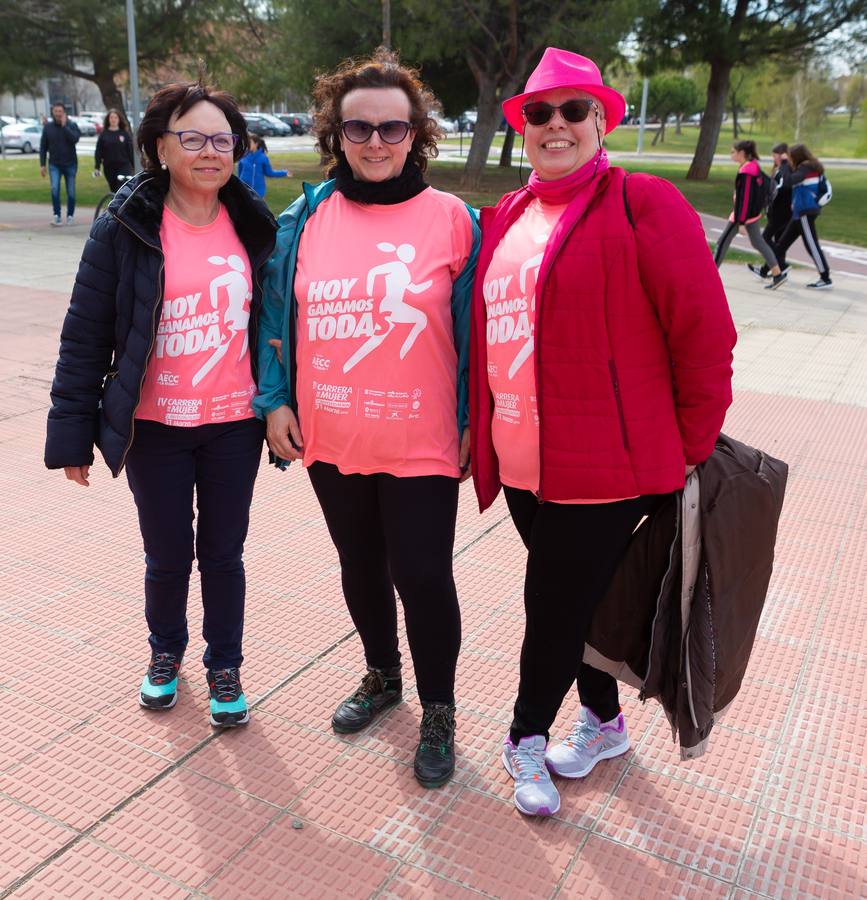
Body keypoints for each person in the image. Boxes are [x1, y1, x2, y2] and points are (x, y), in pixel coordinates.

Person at [469, 47, 737, 817]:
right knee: (580, 601)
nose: (554, 126)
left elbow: (704, 333)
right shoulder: (511, 213)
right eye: (537, 113)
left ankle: (523, 736)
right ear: (521, 127)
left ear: (600, 120)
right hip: (522, 458)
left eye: (571, 111)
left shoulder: (642, 202)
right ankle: (605, 723)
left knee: (551, 604)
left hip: (605, 466)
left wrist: (682, 447)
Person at [254, 48, 479, 788]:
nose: (375, 143)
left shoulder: (454, 220)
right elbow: (276, 316)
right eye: (358, 128)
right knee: (359, 566)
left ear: (416, 133)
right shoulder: (306, 216)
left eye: (392, 128)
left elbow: (478, 333)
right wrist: (275, 398)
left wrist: (476, 416)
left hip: (422, 438)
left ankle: (439, 708)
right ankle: (383, 677)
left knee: (420, 574)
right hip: (332, 433)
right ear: (335, 134)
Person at [45, 80, 277, 728]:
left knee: (224, 553)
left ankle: (224, 662)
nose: (211, 151)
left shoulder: (254, 224)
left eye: (223, 139)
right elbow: (85, 334)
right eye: (194, 138)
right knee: (168, 553)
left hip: (234, 423)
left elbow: (277, 325)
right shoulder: (123, 226)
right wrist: (71, 435)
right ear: (159, 147)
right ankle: (164, 652)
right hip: (156, 427)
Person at [713, 140, 786, 289]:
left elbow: (745, 198)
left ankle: (709, 276)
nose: (731, 155)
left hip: (742, 216)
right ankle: (777, 274)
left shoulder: (746, 171)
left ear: (741, 153)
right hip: (752, 214)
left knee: (722, 242)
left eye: (733, 152)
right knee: (758, 242)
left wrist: (741, 222)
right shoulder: (753, 166)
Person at [768, 143, 832, 290]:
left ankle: (825, 278)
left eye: (790, 157)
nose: (788, 159)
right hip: (800, 212)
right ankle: (774, 272)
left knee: (812, 245)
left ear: (796, 156)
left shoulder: (806, 167)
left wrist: (783, 164)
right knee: (781, 245)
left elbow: (789, 181)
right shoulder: (809, 167)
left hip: (805, 211)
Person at [748, 142, 793, 281]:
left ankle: (781, 265)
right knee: (779, 243)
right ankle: (768, 269)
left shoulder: (787, 168)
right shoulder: (779, 168)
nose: (774, 158)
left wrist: (785, 162)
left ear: (783, 155)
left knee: (764, 239)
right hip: (778, 211)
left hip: (782, 212)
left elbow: (782, 186)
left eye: (776, 155)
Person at [39, 102, 81, 226]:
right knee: (55, 189)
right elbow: (43, 147)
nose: (58, 113)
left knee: (71, 191)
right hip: (54, 164)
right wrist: (42, 165)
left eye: (60, 111)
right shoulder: (48, 127)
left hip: (70, 164)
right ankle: (57, 215)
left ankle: (70, 216)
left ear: (64, 112)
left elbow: (75, 139)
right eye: (56, 111)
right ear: (53, 112)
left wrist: (64, 127)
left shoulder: (72, 125)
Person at [93, 108, 136, 192]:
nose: (113, 119)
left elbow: (130, 151)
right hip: (109, 167)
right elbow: (98, 151)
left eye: (115, 117)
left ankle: (123, 204)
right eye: (111, 117)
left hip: (124, 165)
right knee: (114, 191)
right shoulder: (104, 134)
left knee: (122, 188)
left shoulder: (124, 134)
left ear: (119, 119)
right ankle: (116, 205)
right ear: (108, 119)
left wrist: (134, 165)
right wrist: (97, 167)